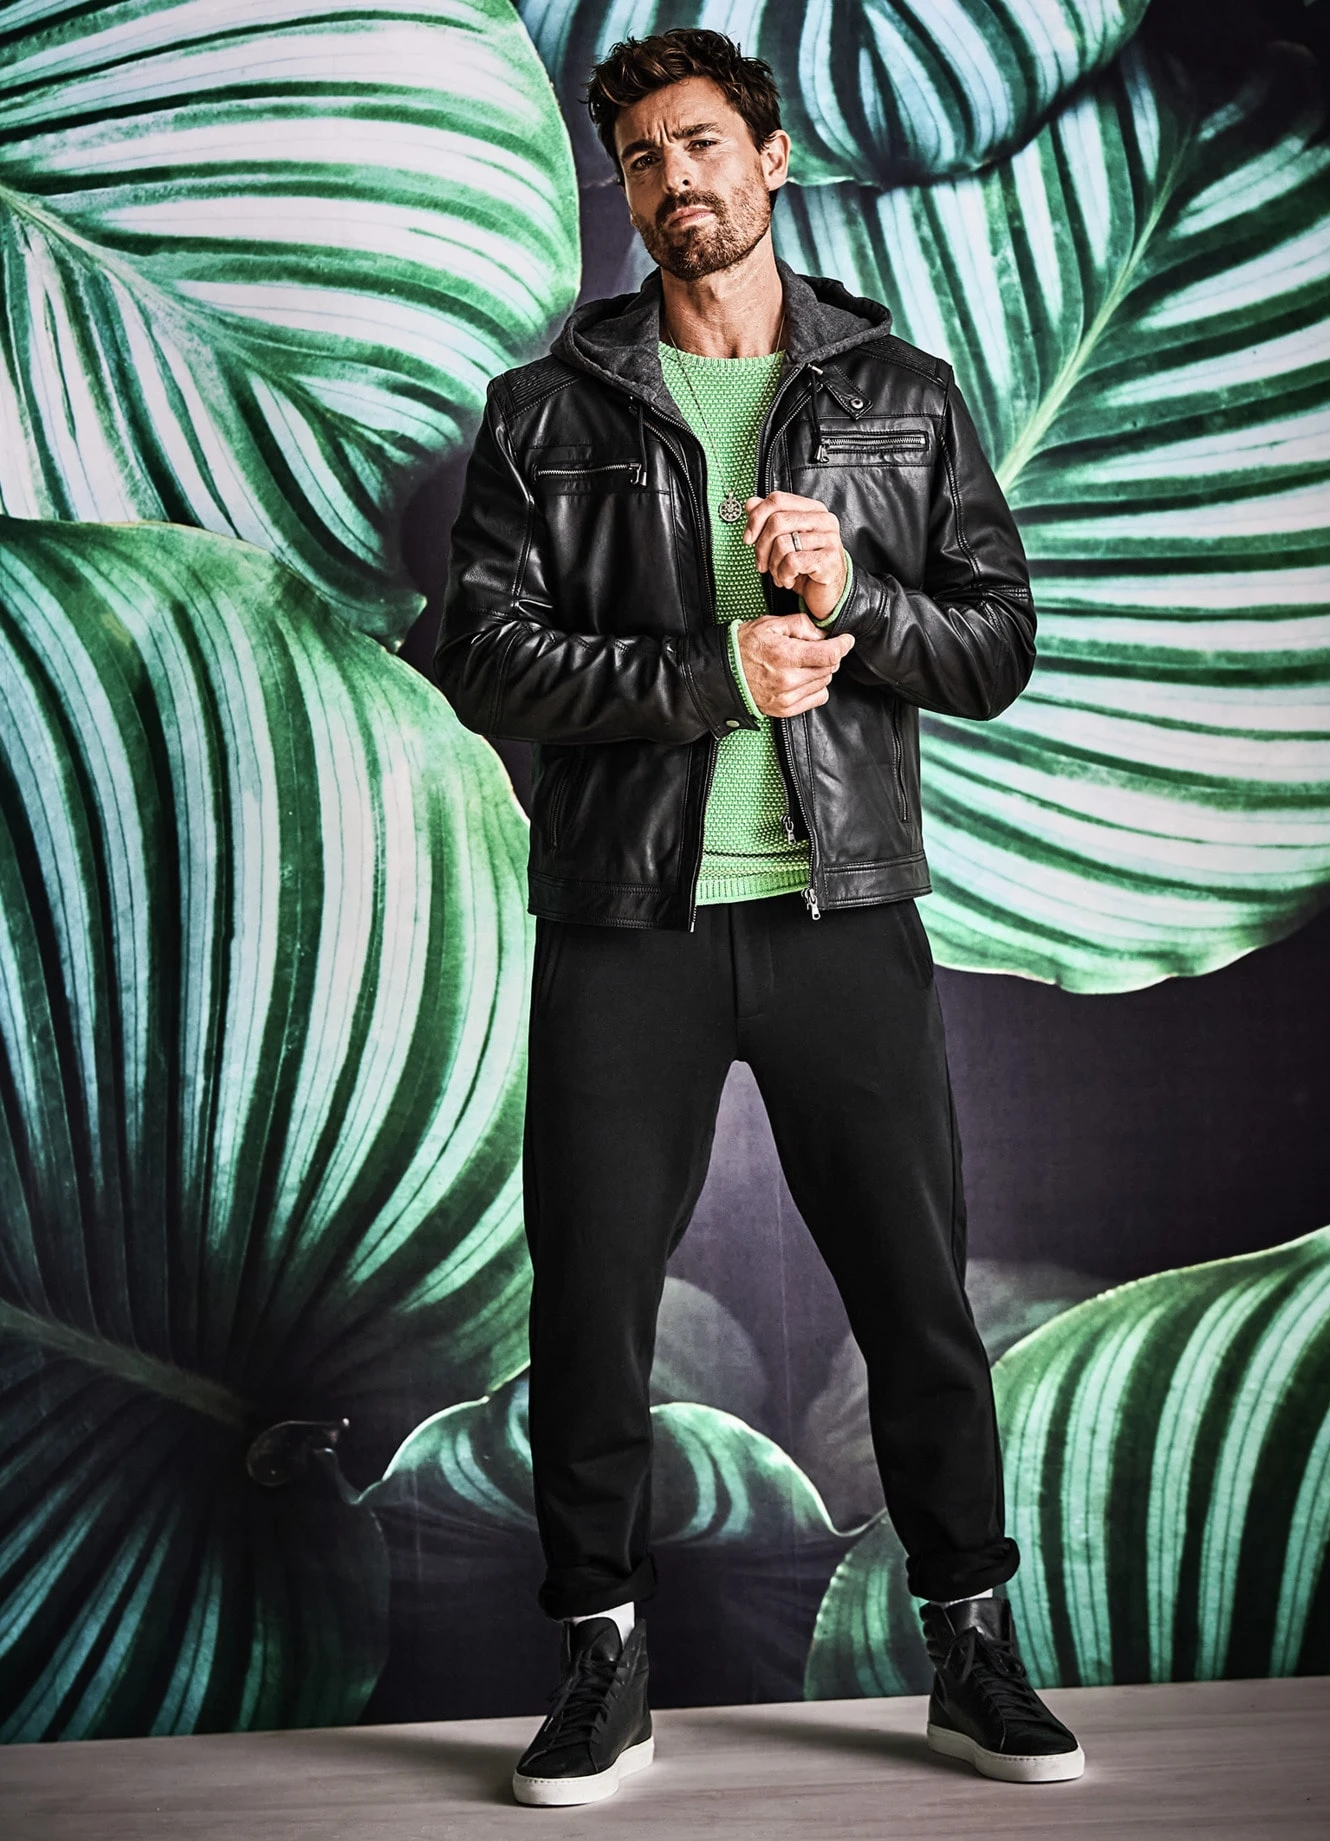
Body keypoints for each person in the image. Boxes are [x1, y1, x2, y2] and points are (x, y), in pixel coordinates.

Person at [436, 25, 1083, 1809]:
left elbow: (996, 650)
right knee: (592, 1307)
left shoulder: (901, 393)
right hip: (626, 922)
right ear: (626, 190)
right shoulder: (547, 410)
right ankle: (601, 1662)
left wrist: (857, 593)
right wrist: (708, 674)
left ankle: (970, 1648)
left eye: (704, 142)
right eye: (644, 157)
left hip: (837, 910)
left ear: (773, 158)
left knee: (914, 1297)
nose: (677, 180)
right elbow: (487, 656)